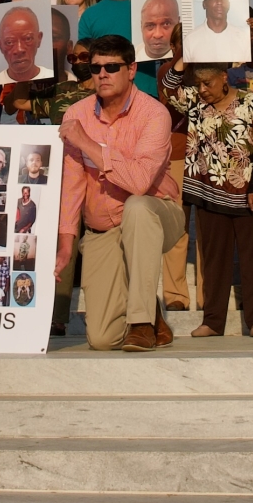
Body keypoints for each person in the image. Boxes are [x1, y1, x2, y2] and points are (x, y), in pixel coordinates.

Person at [55, 36, 183, 351]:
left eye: (112, 67)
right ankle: (152, 313)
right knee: (101, 339)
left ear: (131, 70)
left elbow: (139, 182)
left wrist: (88, 144)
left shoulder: (154, 114)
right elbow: (72, 186)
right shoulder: (76, 114)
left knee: (137, 207)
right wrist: (65, 246)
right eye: (95, 67)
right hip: (103, 226)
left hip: (157, 215)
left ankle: (140, 322)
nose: (102, 74)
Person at [173, 64, 253, 339]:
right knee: (214, 260)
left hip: (250, 191)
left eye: (207, 83)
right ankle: (213, 321)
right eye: (199, 85)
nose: (202, 90)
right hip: (210, 191)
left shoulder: (249, 101)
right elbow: (170, 89)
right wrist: (182, 59)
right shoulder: (196, 104)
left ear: (223, 77)